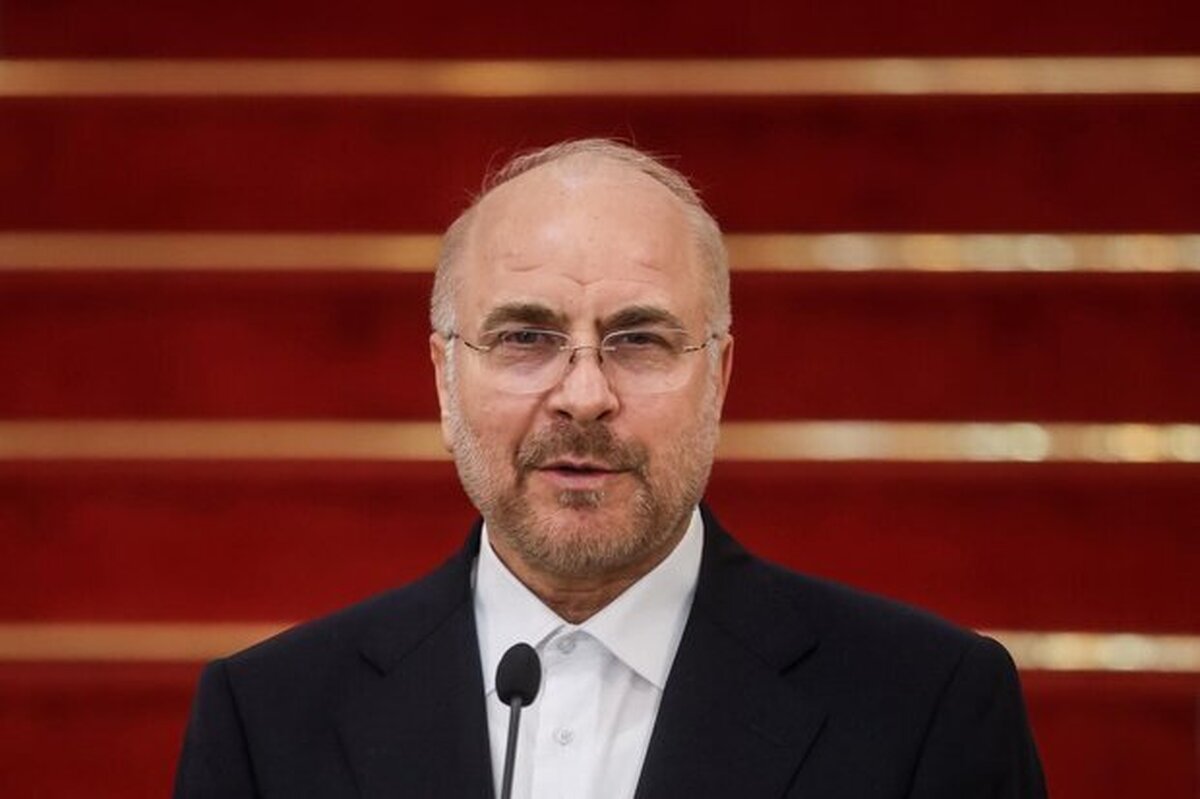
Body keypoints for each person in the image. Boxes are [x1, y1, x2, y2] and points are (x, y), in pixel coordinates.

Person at [174, 139, 1047, 798]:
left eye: (638, 339)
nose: (584, 395)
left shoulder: (928, 707)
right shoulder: (267, 719)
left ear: (719, 378)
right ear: (444, 379)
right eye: (526, 336)